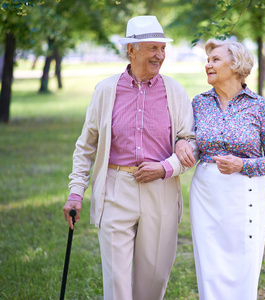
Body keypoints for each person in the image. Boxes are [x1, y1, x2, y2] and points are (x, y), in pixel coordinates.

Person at [62, 15, 197, 300]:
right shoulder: (105, 90)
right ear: (131, 50)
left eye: (162, 48)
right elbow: (86, 146)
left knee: (153, 280)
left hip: (160, 191)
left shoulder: (175, 91)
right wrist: (76, 192)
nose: (160, 55)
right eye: (152, 48)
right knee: (117, 284)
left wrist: (165, 168)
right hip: (116, 187)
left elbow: (191, 142)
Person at [176, 39, 265, 299]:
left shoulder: (259, 106)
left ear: (236, 65)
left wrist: (242, 164)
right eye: (208, 60)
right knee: (210, 267)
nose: (208, 65)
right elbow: (189, 139)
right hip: (206, 195)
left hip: (245, 193)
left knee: (243, 265)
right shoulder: (199, 103)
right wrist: (180, 141)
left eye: (215, 60)